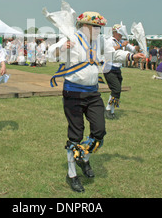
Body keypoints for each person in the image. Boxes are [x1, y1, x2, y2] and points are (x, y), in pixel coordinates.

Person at [48, 12, 138, 193]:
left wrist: (130, 56)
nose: (98, 30)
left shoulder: (100, 41)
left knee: (99, 131)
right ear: (84, 26)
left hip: (93, 93)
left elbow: (113, 54)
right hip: (73, 92)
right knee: (76, 135)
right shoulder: (71, 38)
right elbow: (51, 53)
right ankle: (72, 173)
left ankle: (84, 157)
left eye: (100, 27)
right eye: (95, 27)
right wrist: (61, 49)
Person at [102, 24, 144, 119]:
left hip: (117, 68)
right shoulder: (109, 41)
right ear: (115, 33)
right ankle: (108, 109)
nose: (121, 36)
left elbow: (133, 49)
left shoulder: (121, 41)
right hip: (109, 68)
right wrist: (121, 45)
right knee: (116, 89)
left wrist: (139, 43)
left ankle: (112, 111)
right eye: (119, 34)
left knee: (117, 91)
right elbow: (109, 51)